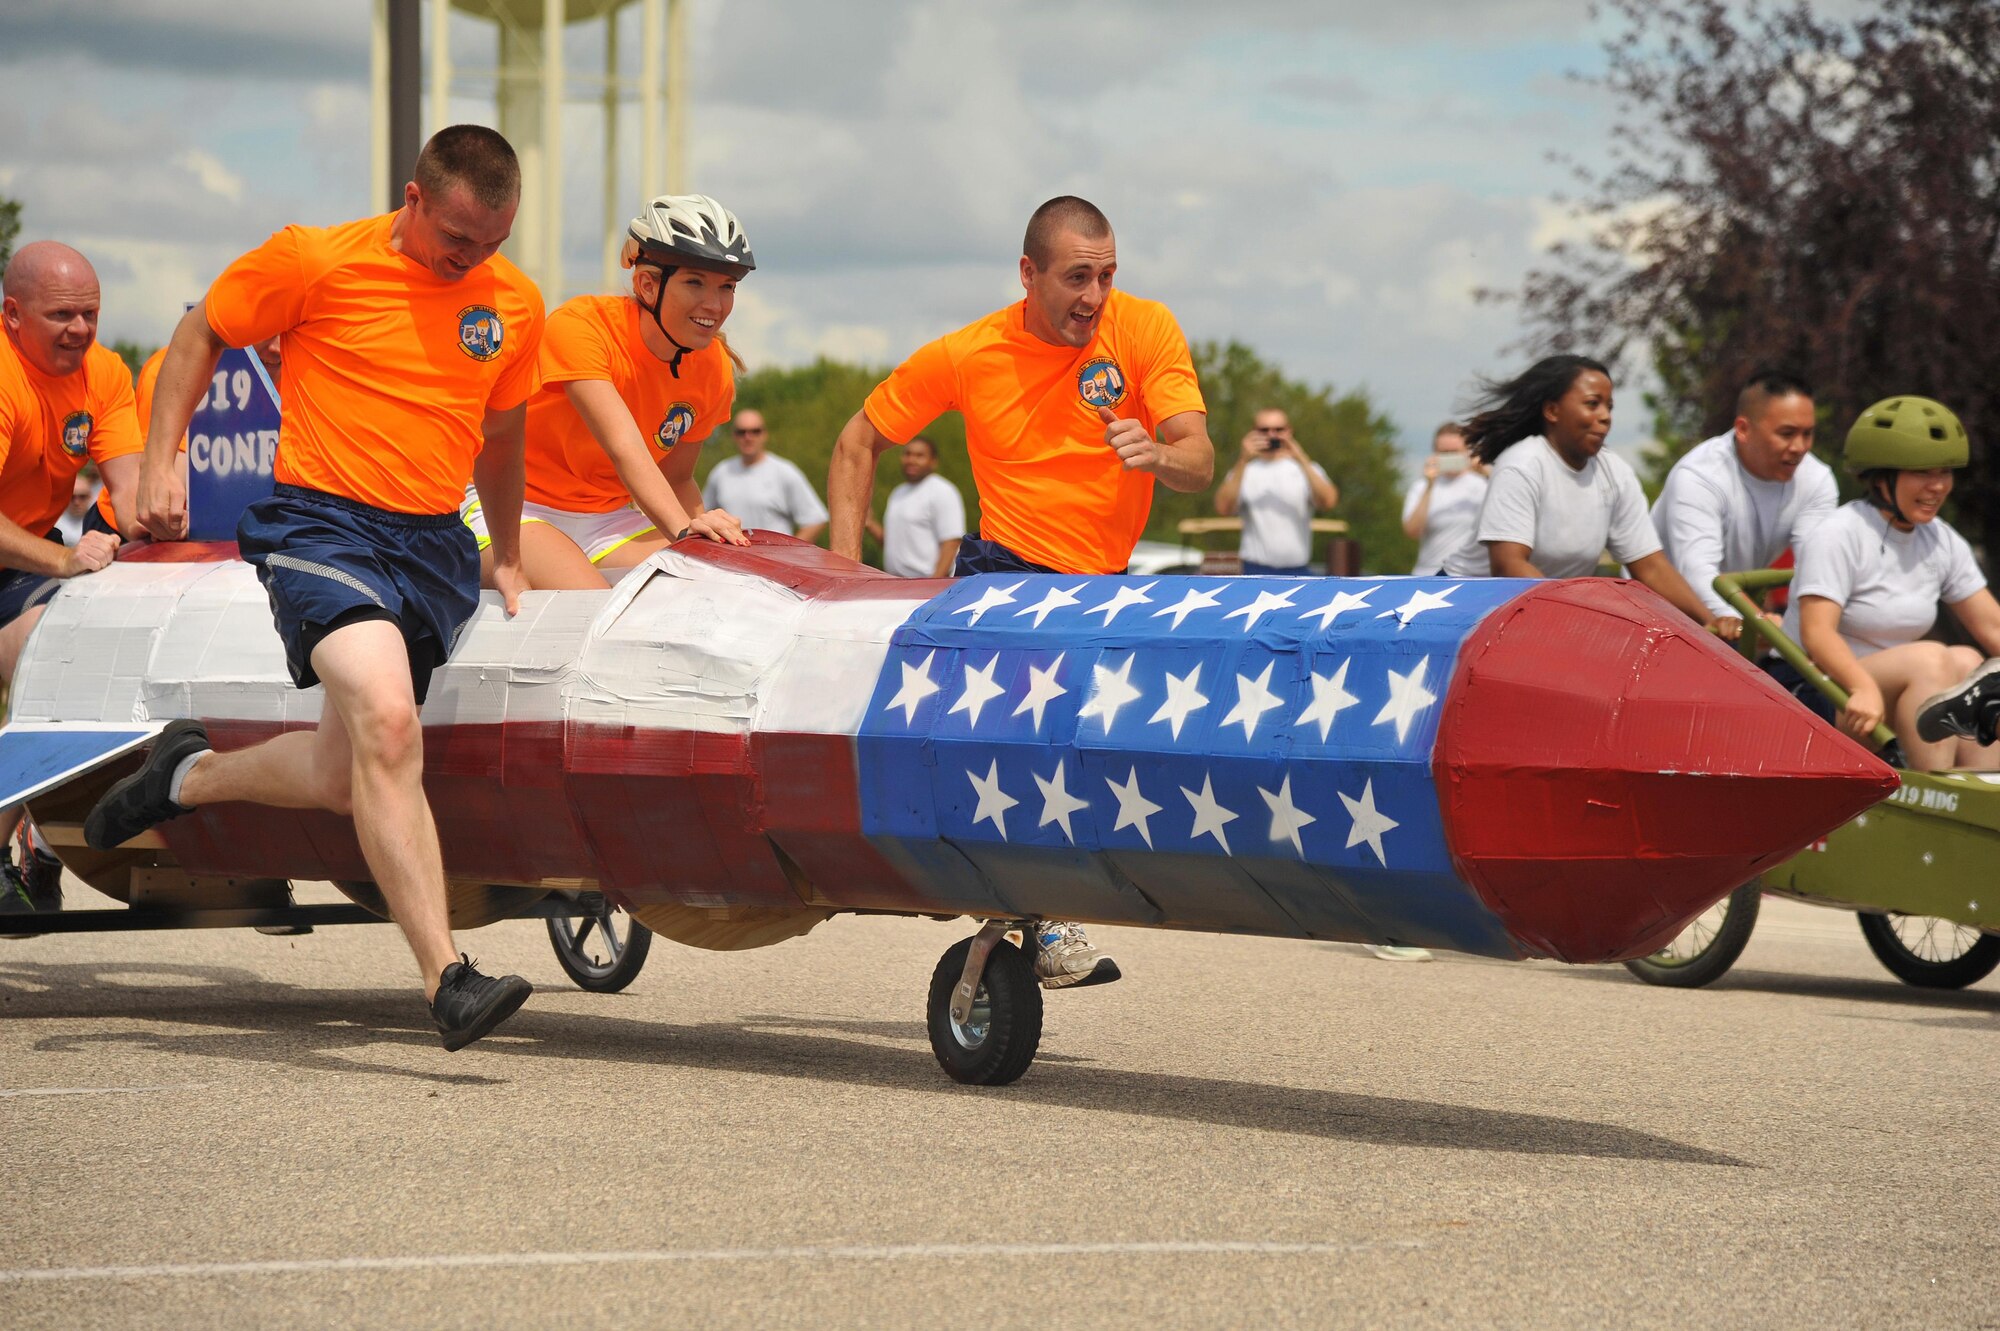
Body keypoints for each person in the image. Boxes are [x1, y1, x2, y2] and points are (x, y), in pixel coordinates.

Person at [82, 125, 545, 1050]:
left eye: (492, 244)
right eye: (457, 238)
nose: (472, 259)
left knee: (346, 772)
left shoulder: (514, 303)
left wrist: (505, 551)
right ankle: (446, 976)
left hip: (430, 547)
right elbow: (202, 330)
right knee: (387, 718)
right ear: (413, 199)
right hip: (321, 523)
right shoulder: (315, 260)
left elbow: (501, 433)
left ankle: (187, 774)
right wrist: (162, 459)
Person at [826, 194, 1216, 987]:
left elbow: (1200, 457)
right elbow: (857, 440)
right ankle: (1043, 918)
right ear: (1029, 274)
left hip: (1101, 592)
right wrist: (844, 581)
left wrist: (1157, 456)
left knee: (1099, 759)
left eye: (1107, 276)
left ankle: (1021, 909)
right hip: (1008, 578)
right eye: (1077, 277)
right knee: (1029, 753)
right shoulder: (972, 352)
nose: (1095, 298)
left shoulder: (1143, 329)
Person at [462, 194, 751, 589]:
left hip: (606, 520)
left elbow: (678, 479)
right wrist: (684, 533)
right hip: (514, 505)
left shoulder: (714, 367)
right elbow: (624, 445)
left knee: (716, 585)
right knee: (593, 603)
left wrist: (704, 545)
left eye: (727, 287)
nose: (714, 304)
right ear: (648, 285)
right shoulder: (583, 326)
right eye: (694, 282)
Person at [0, 242, 138, 917]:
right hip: (30, 550)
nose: (80, 330)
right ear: (13, 315)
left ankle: (34, 847)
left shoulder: (103, 373)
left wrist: (169, 511)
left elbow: (134, 489)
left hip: (20, 555)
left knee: (55, 650)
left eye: (90, 314)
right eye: (62, 316)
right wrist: (60, 558)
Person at [1441, 354, 1738, 640]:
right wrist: (1581, 614)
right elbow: (1508, 566)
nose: (1605, 417)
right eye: (1592, 404)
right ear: (1552, 411)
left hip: (1538, 612)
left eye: (1609, 406)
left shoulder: (1615, 473)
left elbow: (1651, 567)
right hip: (1460, 611)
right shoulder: (1522, 465)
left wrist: (1708, 620)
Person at [1781, 396, 2000, 772]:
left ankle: (1983, 794)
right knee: (1932, 659)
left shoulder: (1941, 540)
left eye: (1945, 473)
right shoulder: (1839, 533)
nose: (1937, 487)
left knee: (1973, 664)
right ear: (1882, 478)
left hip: (1894, 692)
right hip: (1820, 693)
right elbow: (1817, 635)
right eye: (1923, 473)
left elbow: (1992, 625)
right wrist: (1861, 686)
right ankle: (1934, 793)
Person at [1652, 370, 1837, 622]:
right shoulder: (1699, 477)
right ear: (1743, 429)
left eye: (1807, 434)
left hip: (1734, 614)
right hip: (1658, 613)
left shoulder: (1818, 480)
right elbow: (1696, 573)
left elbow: (1814, 569)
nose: (1799, 447)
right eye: (1786, 433)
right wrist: (1757, 625)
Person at [1212, 407, 1338, 574]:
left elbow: (1328, 501)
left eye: (1279, 430)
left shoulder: (1306, 469)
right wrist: (1243, 459)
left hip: (1297, 569)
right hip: (1254, 568)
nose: (1272, 435)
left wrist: (1301, 457)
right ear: (1253, 433)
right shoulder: (1244, 471)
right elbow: (1223, 508)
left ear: (1289, 431)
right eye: (1264, 430)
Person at [701, 409, 827, 543]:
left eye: (755, 431)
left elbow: (815, 519)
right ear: (734, 436)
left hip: (774, 561)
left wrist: (790, 553)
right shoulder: (721, 472)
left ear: (764, 434)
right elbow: (702, 516)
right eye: (741, 432)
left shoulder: (784, 471)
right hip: (731, 560)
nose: (748, 437)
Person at [870, 435, 964, 577]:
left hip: (928, 586)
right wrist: (870, 524)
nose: (911, 460)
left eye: (919, 456)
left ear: (933, 462)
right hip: (898, 587)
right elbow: (893, 544)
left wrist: (934, 588)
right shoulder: (898, 493)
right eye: (907, 454)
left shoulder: (942, 491)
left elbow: (951, 543)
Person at [1401, 422, 1487, 576]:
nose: (1450, 457)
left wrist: (1486, 472)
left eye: (1455, 452)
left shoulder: (1483, 484)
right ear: (1435, 453)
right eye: (1444, 452)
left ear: (1468, 450)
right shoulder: (1421, 487)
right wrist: (1429, 485)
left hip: (1471, 574)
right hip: (1429, 573)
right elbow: (1412, 531)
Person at [55, 462, 99, 545]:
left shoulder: (99, 524)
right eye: (72, 497)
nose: (77, 502)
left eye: (82, 496)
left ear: (90, 497)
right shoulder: (53, 524)